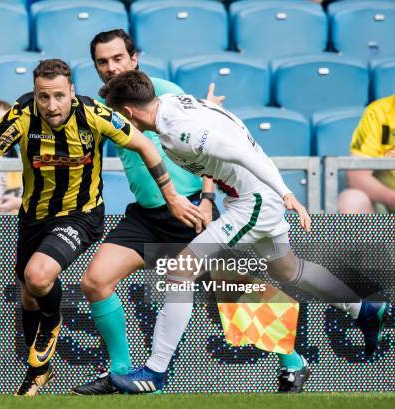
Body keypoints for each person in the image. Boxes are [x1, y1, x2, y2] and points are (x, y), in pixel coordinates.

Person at [99, 70, 390, 394]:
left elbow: (243, 152)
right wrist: (209, 108)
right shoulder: (169, 104)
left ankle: (154, 372)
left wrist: (286, 193)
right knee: (289, 270)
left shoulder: (179, 131)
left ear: (127, 112)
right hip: (249, 198)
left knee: (183, 271)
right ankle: (361, 308)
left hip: (253, 202)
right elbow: (211, 126)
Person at [72, 29, 307, 395]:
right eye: (102, 62)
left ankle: (294, 362)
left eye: (117, 58)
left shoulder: (162, 91)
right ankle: (120, 373)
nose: (110, 67)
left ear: (134, 59)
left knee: (235, 291)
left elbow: (213, 145)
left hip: (194, 208)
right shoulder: (106, 107)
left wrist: (209, 200)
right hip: (148, 215)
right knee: (96, 281)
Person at [0, 59, 203, 396]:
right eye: (43, 97)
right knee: (32, 293)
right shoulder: (22, 114)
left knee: (239, 284)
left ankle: (293, 363)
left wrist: (176, 197)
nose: (52, 106)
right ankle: (39, 371)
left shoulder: (101, 112)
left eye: (59, 96)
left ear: (72, 93)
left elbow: (147, 145)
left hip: (83, 215)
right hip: (36, 217)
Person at [337, 94, 395, 214]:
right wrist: (392, 199)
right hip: (388, 206)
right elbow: (356, 176)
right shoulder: (379, 111)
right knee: (351, 200)